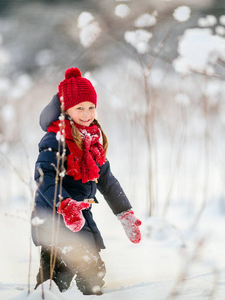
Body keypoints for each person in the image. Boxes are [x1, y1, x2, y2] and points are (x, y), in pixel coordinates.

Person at [31, 67, 142, 296]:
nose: (86, 113)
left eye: (91, 107)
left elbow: (107, 180)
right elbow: (43, 176)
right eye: (79, 107)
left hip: (79, 217)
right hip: (54, 221)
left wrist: (125, 213)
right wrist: (65, 204)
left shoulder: (90, 139)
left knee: (85, 273)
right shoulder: (55, 139)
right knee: (69, 276)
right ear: (65, 109)